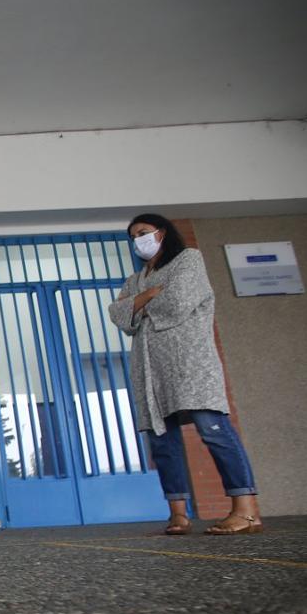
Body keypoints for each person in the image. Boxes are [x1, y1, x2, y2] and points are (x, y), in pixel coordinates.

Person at [108, 213, 262, 536]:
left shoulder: (188, 260)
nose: (139, 240)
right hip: (151, 372)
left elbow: (178, 302)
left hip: (190, 365)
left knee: (213, 430)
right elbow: (117, 314)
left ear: (162, 233)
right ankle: (178, 514)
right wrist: (149, 295)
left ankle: (245, 510)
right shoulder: (137, 279)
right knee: (162, 442)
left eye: (144, 232)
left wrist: (138, 306)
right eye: (134, 235)